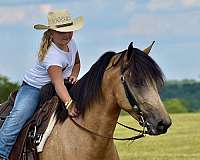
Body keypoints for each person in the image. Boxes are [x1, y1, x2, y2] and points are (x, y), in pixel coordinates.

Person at [0, 10, 84, 160]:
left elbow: (76, 63)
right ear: (51, 33)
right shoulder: (52, 56)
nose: (67, 35)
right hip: (34, 88)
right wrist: (69, 104)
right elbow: (58, 85)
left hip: (62, 85)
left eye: (69, 30)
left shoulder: (72, 43)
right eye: (61, 32)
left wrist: (74, 75)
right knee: (19, 115)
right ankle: (1, 153)